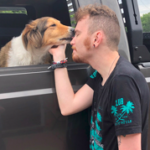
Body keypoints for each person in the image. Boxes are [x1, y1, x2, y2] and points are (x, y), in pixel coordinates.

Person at [49, 4, 150, 150]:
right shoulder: (101, 75)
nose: (72, 41)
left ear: (96, 38)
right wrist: (58, 56)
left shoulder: (123, 81)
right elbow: (68, 106)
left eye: (77, 34)